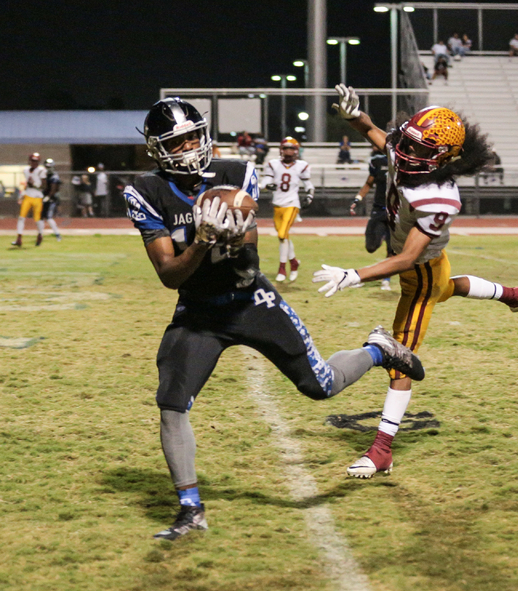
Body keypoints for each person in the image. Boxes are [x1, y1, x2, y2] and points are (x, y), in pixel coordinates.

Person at [122, 97, 424, 540]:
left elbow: (247, 261)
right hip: (200, 311)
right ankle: (191, 509)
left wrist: (226, 234)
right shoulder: (145, 191)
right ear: (157, 148)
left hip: (249, 299)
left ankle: (377, 349)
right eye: (177, 141)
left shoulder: (235, 172)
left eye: (192, 136)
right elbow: (169, 275)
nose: (188, 147)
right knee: (171, 402)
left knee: (320, 386)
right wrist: (202, 243)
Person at [315, 84, 518, 479]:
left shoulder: (440, 195)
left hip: (421, 271)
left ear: (443, 158)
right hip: (430, 269)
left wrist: (354, 275)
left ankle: (382, 450)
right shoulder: (409, 153)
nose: (406, 153)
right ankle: (509, 295)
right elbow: (377, 136)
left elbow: (406, 259)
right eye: (408, 144)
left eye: (418, 150)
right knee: (449, 288)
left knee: (399, 359)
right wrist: (355, 115)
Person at [262, 136, 314, 282]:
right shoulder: (273, 164)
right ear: (281, 150)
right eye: (286, 148)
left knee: (282, 234)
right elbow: (266, 180)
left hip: (292, 203)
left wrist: (309, 196)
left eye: (291, 148)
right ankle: (294, 262)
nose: (288, 151)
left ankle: (282, 268)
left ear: (296, 150)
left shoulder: (302, 165)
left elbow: (308, 184)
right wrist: (266, 185)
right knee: (283, 237)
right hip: (277, 204)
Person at [350, 145, 392, 290]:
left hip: (396, 211)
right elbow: (369, 183)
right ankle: (382, 237)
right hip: (379, 209)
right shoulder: (377, 162)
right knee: (371, 246)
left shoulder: (404, 162)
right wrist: (357, 199)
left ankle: (386, 279)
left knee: (392, 249)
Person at [12, 153, 47, 247]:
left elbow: (44, 186)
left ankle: (40, 234)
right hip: (28, 195)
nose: (34, 163)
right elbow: (27, 184)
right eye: (32, 161)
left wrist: (34, 184)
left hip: (37, 197)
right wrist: (22, 195)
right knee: (21, 217)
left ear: (38, 162)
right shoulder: (26, 170)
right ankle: (19, 238)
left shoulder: (41, 170)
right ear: (29, 161)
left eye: (36, 161)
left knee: (37, 219)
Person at [42, 158, 62, 241]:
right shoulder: (44, 175)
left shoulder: (54, 176)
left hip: (52, 199)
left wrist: (48, 197)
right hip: (45, 198)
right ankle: (40, 234)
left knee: (49, 217)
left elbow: (53, 189)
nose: (48, 168)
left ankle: (57, 234)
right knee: (41, 217)